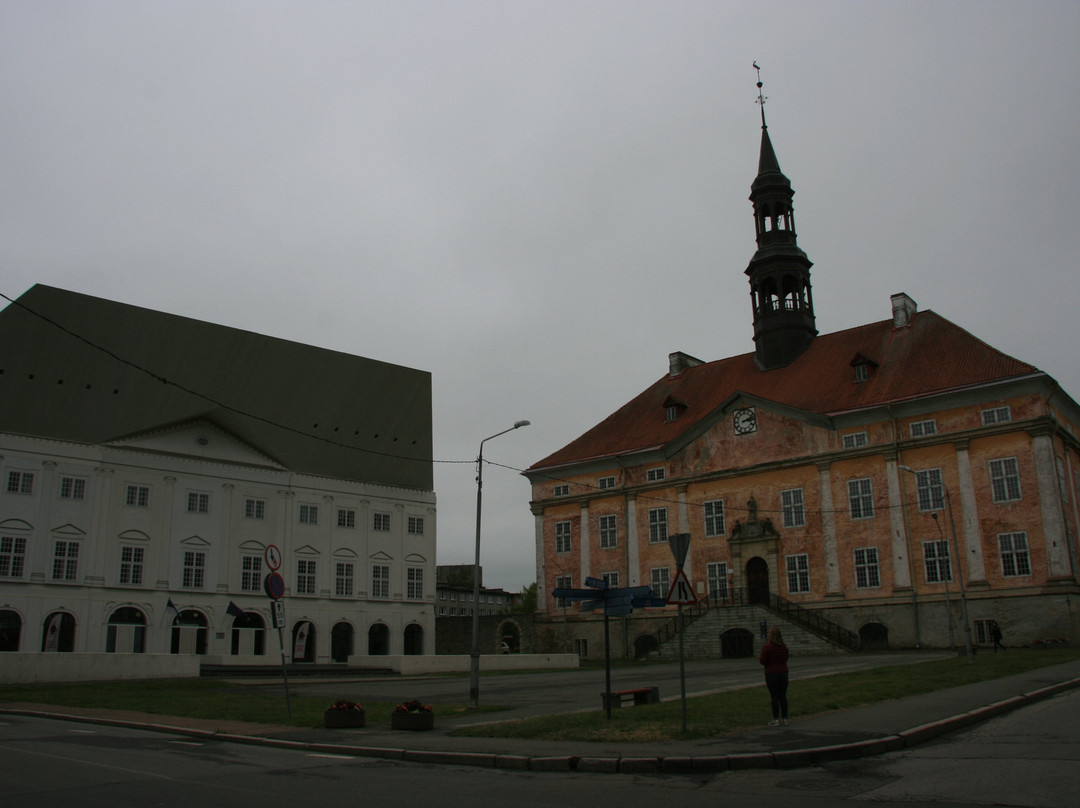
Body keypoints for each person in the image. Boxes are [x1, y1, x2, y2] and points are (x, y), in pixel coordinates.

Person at [759, 626, 790, 726]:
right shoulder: (784, 647)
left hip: (772, 673)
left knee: (774, 697)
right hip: (783, 672)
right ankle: (785, 718)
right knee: (783, 696)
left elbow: (763, 661)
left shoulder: (767, 647)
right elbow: (785, 658)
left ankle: (776, 718)